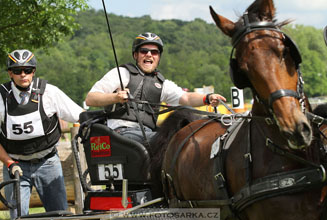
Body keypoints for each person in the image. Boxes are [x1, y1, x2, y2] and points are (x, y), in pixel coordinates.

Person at [85, 32, 226, 144]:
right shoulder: (122, 73)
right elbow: (90, 99)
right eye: (144, 51)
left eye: (154, 52)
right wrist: (115, 97)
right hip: (120, 133)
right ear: (135, 55)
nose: (149, 55)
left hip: (147, 132)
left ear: (158, 57)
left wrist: (207, 98)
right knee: (168, 142)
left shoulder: (161, 83)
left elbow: (186, 98)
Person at [0, 49, 83, 219]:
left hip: (48, 163)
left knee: (60, 214)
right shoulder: (1, 98)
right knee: (17, 216)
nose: (23, 75)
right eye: (17, 70)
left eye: (28, 70)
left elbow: (79, 115)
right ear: (10, 73)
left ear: (34, 71)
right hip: (15, 165)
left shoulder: (49, 93)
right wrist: (9, 163)